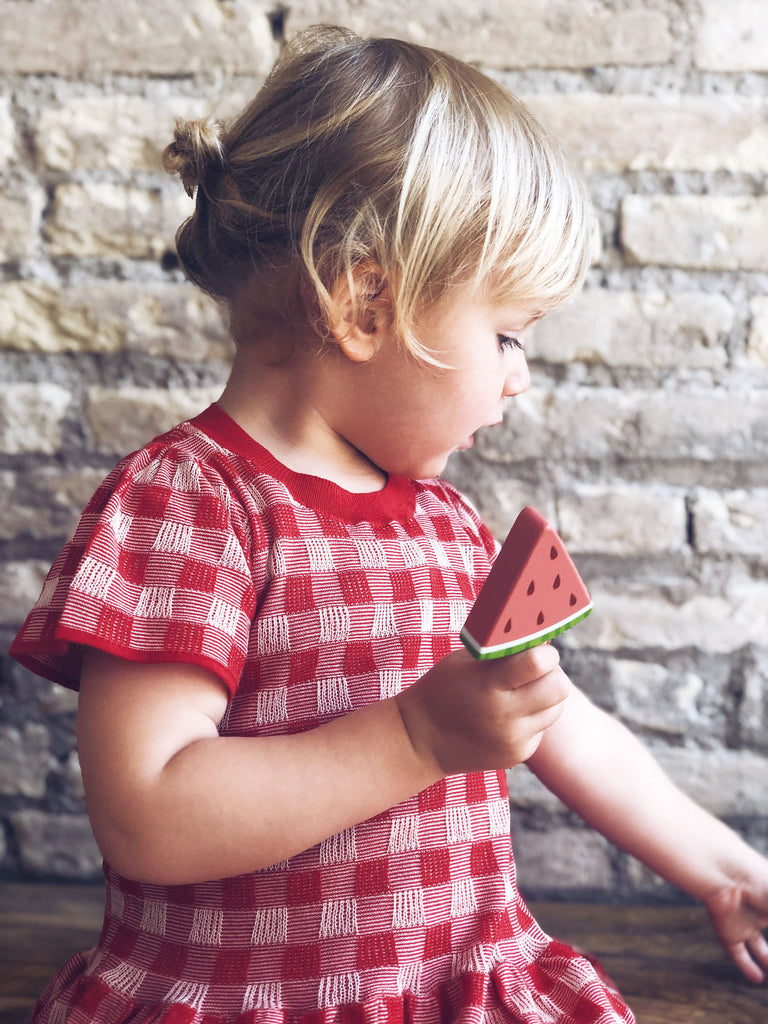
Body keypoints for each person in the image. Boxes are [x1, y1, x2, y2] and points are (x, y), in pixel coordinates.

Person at [10, 25, 768, 1024]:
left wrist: (725, 868)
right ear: (365, 301)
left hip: (451, 991)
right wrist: (415, 735)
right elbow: (147, 815)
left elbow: (563, 723)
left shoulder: (454, 528)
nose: (520, 375)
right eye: (504, 333)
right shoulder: (190, 503)